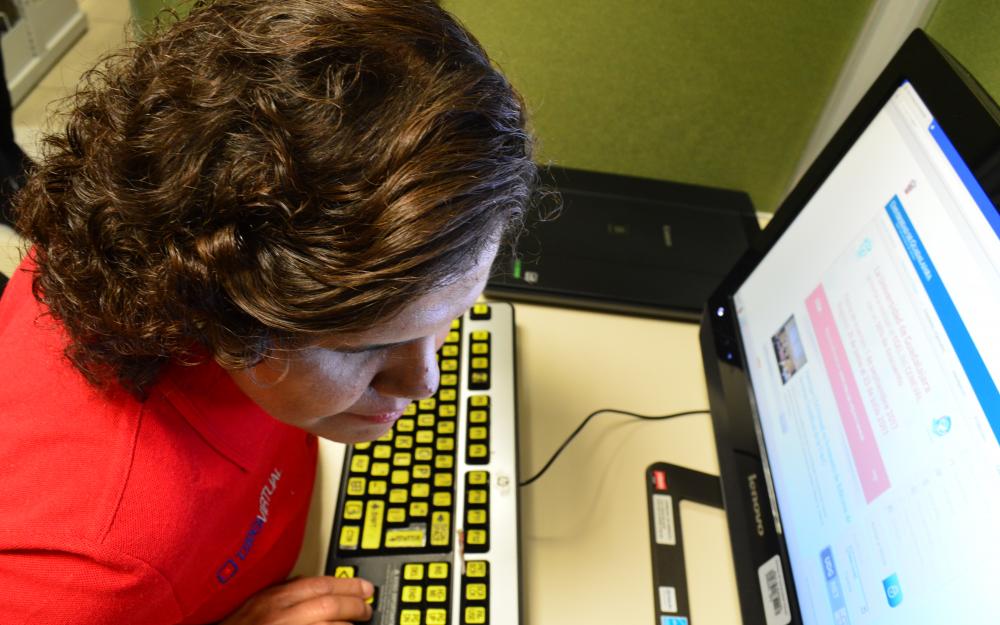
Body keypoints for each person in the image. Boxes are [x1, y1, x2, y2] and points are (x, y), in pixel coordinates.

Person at [0, 1, 535, 623]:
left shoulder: (141, 227)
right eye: (364, 346)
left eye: (450, 316)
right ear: (210, 302)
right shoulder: (91, 574)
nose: (424, 382)